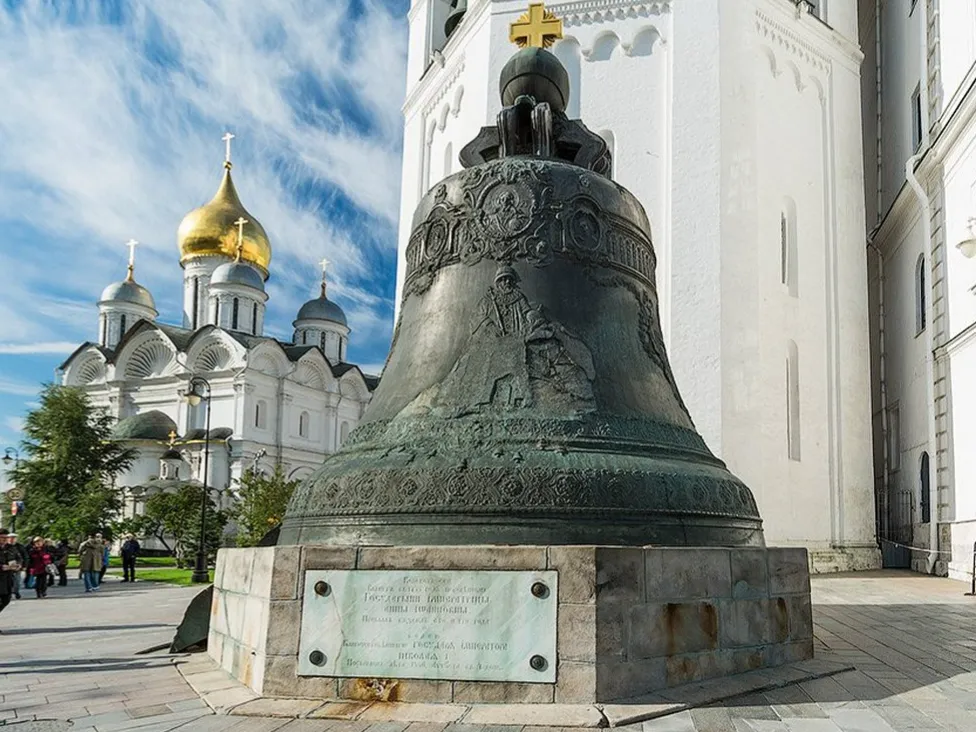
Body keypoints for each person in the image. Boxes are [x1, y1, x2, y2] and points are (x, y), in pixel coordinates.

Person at [0, 528, 20, 630]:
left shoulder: (11, 548)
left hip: (8, 578)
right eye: (2, 537)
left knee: (6, 599)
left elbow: (18, 558)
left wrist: (19, 565)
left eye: (5, 537)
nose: (4, 539)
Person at [7, 533, 27, 599]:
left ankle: (16, 592)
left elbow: (25, 557)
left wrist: (24, 566)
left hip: (17, 566)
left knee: (17, 580)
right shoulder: (4, 546)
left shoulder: (20, 546)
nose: (12, 539)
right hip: (6, 567)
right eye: (10, 538)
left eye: (13, 538)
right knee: (8, 581)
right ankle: (9, 593)